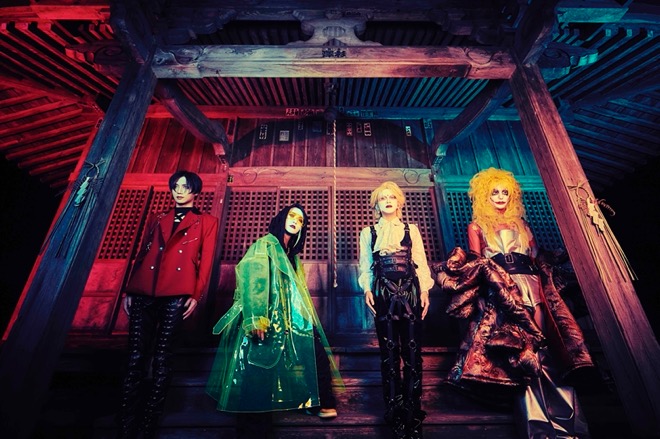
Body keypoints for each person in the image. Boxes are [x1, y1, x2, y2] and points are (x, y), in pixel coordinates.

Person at [436, 167, 594, 438]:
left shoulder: (523, 225)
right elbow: (478, 263)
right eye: (494, 192)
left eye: (505, 192)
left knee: (544, 348)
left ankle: (569, 426)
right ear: (484, 196)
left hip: (532, 284)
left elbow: (536, 257)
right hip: (502, 289)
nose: (500, 197)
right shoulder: (476, 226)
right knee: (521, 353)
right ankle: (537, 428)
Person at [207, 203, 342, 438]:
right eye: (292, 216)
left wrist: (305, 320)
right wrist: (256, 317)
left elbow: (296, 292)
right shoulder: (265, 244)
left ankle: (319, 403)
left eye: (300, 220)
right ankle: (253, 431)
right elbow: (254, 278)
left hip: (290, 319)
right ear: (281, 218)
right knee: (259, 371)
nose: (296, 221)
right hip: (266, 318)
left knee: (316, 352)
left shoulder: (292, 256)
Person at [117, 170, 219, 439]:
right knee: (135, 357)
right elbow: (143, 254)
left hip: (177, 292)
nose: (179, 191)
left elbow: (206, 262)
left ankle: (147, 425)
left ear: (196, 191)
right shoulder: (158, 217)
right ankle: (126, 427)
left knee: (162, 357)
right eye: (175, 186)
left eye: (185, 186)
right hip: (144, 290)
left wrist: (196, 295)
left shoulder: (207, 221)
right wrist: (130, 288)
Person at [358, 181, 434, 439]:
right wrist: (367, 289)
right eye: (383, 198)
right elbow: (366, 264)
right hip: (383, 292)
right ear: (376, 204)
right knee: (388, 353)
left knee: (412, 352)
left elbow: (420, 262)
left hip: (410, 290)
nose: (388, 201)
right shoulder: (368, 232)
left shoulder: (411, 229)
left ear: (400, 201)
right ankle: (394, 414)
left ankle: (413, 415)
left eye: (392, 197)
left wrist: (425, 291)